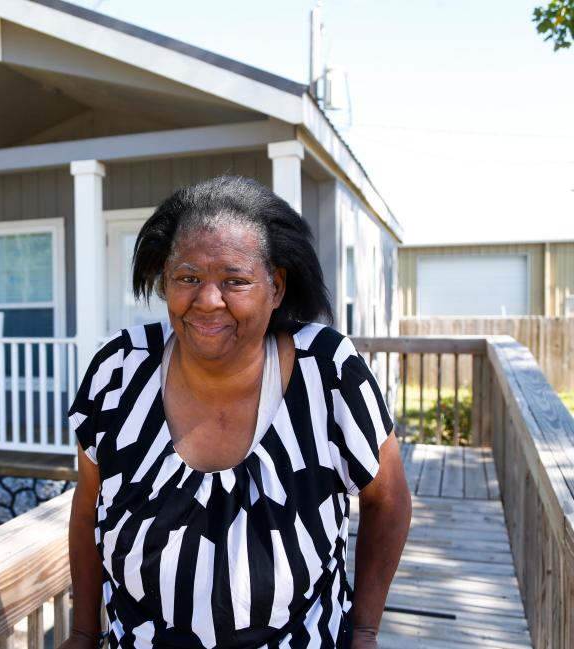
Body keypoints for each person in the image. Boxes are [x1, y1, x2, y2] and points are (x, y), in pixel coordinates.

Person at [61, 176, 411, 649]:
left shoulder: (327, 370)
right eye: (187, 278)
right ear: (165, 281)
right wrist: (84, 633)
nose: (208, 301)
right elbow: (89, 506)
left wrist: (365, 630)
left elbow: (386, 499)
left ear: (277, 286)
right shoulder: (119, 371)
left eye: (235, 281)